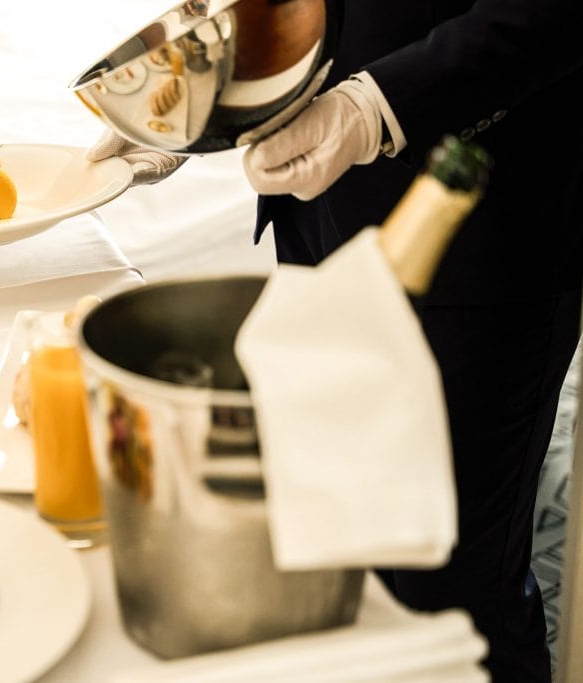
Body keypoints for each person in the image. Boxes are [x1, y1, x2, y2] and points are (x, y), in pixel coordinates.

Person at [89, 1, 583, 680]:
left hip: (476, 230)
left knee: (447, 599)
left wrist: (375, 105)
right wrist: (212, 91)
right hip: (316, 198)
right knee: (342, 543)